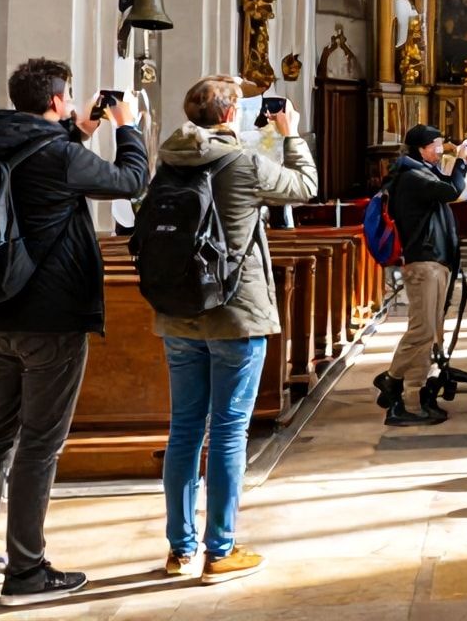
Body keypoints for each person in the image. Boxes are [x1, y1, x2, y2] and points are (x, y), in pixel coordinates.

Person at [0, 58, 147, 607]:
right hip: (53, 317)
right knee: (39, 444)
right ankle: (27, 571)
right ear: (58, 100)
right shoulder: (59, 156)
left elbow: (44, 163)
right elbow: (132, 181)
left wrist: (79, 131)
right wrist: (127, 127)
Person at [151, 77, 317, 584]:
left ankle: (180, 549)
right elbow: (304, 187)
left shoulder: (169, 159)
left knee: (183, 429)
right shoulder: (241, 162)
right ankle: (219, 550)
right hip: (234, 312)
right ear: (229, 116)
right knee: (226, 432)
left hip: (179, 310)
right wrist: (290, 134)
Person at [372, 124, 467, 426]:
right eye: (437, 144)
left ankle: (414, 397)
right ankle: (391, 382)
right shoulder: (411, 177)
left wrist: (456, 163)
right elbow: (451, 189)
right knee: (421, 330)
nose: (442, 148)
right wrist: (461, 161)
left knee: (432, 333)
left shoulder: (420, 172)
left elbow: (444, 185)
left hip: (436, 262)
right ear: (421, 148)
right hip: (424, 263)